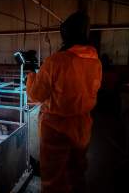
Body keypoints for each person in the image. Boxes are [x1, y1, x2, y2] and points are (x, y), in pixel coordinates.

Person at [26, 11, 102, 193]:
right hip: (82, 127)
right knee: (77, 172)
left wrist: (31, 74)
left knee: (54, 179)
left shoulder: (56, 62)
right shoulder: (95, 61)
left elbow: (35, 95)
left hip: (56, 129)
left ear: (66, 34)